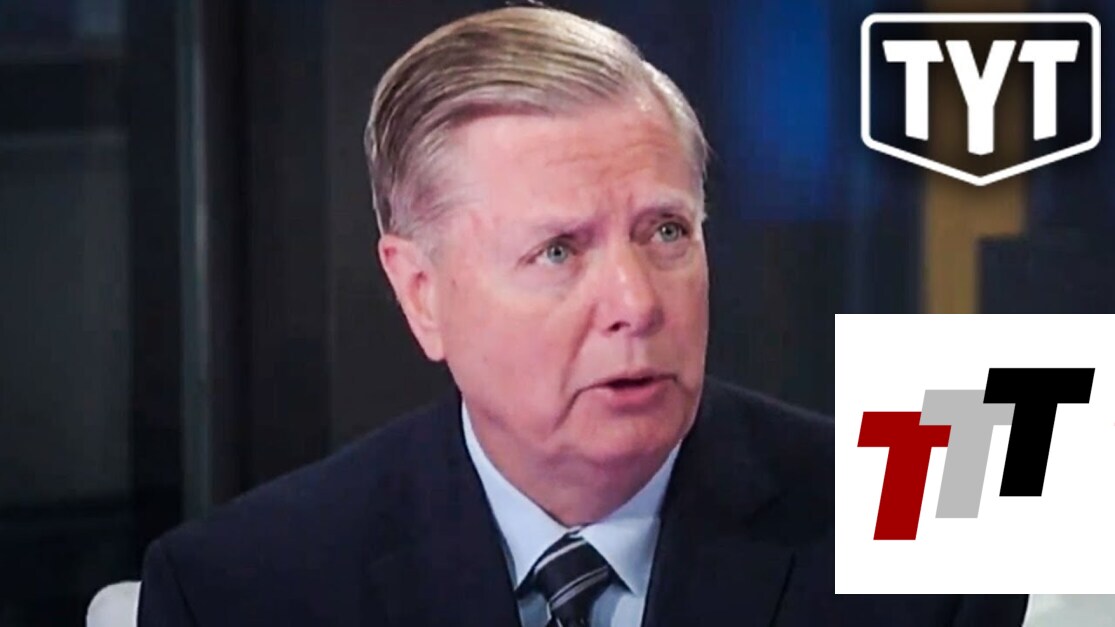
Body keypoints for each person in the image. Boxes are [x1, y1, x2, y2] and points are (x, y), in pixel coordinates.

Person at [138, 7, 1028, 626]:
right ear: (421, 293)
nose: (636, 304)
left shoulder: (933, 540)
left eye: (666, 231)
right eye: (558, 251)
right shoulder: (240, 588)